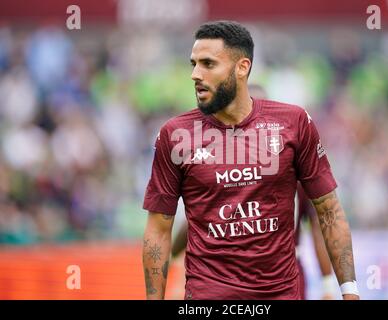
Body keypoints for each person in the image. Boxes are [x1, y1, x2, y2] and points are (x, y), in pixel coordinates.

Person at [142, 20, 359, 300]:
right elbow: (159, 228)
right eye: (193, 64)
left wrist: (346, 291)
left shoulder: (295, 124)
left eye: (208, 64)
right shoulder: (175, 135)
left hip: (280, 292)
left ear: (242, 67)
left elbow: (328, 212)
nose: (196, 74)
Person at [170, 84, 337, 300]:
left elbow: (317, 223)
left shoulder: (295, 165)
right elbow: (197, 220)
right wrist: (172, 256)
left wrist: (327, 284)